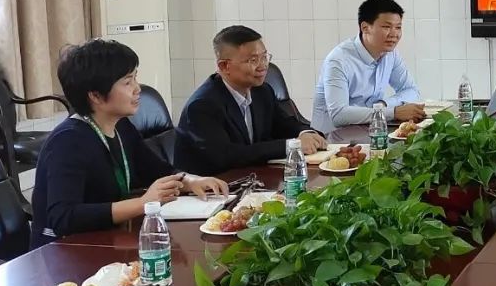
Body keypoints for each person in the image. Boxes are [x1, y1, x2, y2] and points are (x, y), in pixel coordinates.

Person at [30, 40, 227, 249]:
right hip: (63, 251)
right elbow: (64, 217)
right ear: (95, 95)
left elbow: (156, 170)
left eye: (135, 78)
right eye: (127, 82)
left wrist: (191, 180)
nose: (137, 88)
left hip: (108, 240)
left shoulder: (121, 126)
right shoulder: (68, 141)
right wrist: (142, 204)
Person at [174, 25, 326, 175]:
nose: (263, 66)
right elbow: (228, 156)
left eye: (264, 57)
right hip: (213, 185)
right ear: (224, 66)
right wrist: (292, 145)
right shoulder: (202, 106)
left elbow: (283, 124)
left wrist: (305, 133)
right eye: (253, 60)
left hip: (252, 177)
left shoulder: (262, 91)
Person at [311, 0, 423, 135]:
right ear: (365, 28)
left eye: (398, 27)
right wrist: (392, 112)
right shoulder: (339, 60)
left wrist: (384, 104)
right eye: (387, 27)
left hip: (369, 132)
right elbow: (339, 115)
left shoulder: (391, 55)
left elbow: (412, 90)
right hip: (331, 139)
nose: (394, 34)